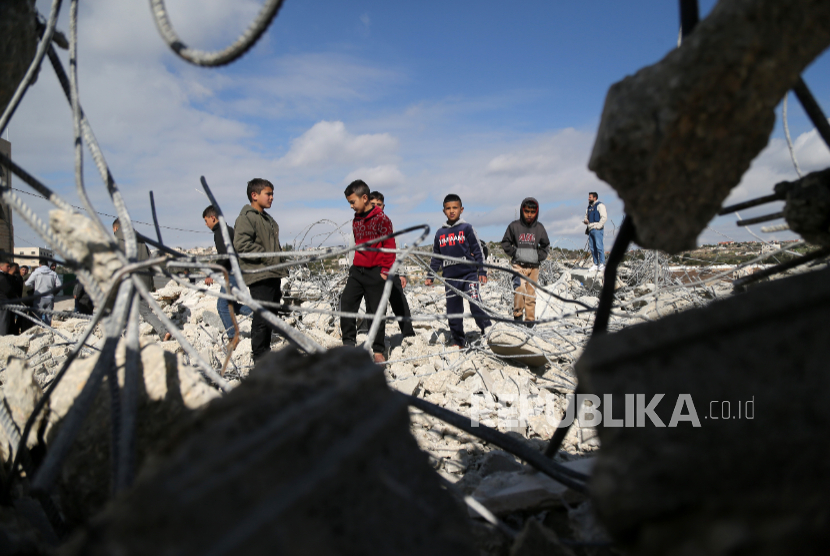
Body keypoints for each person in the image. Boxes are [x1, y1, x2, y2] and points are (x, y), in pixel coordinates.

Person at [425, 194, 491, 348]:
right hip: (451, 280)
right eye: (448, 208)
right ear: (444, 211)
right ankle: (459, 341)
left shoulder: (466, 228)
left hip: (469, 276)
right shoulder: (440, 233)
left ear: (461, 209)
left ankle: (488, 330)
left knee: (475, 303)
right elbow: (436, 258)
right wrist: (430, 276)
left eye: (455, 208)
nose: (452, 211)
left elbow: (478, 250)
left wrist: (482, 271)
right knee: (453, 312)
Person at [340, 180, 396, 363]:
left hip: (376, 271)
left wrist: (385, 270)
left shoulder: (383, 220)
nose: (351, 206)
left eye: (352, 202)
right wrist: (353, 267)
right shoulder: (356, 219)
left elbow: (390, 246)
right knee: (347, 302)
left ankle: (378, 349)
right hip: (357, 271)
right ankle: (348, 344)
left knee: (376, 310)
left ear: (364, 198)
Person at [233, 178, 287, 361]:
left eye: (272, 194)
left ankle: (266, 354)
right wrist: (269, 257)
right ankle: (259, 357)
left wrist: (280, 260)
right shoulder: (246, 218)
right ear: (254, 195)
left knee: (271, 314)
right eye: (268, 194)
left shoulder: (267, 219)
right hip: (259, 274)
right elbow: (242, 245)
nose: (272, 197)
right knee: (262, 317)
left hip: (272, 273)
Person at [113, 219, 172, 341]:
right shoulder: (141, 241)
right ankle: (163, 331)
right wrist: (151, 283)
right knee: (145, 311)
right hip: (142, 282)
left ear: (115, 228)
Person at [368, 191, 415, 339]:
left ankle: (409, 335)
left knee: (399, 301)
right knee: (372, 305)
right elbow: (354, 250)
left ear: (383, 206)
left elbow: (396, 250)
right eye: (373, 204)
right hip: (371, 271)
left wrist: (402, 273)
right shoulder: (361, 223)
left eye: (379, 204)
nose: (376, 207)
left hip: (390, 270)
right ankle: (373, 338)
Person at [501, 197, 550, 325]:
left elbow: (545, 245)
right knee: (519, 290)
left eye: (532, 212)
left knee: (530, 295)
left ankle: (530, 322)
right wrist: (515, 253)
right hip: (518, 266)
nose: (529, 214)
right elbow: (505, 242)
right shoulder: (514, 226)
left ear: (536, 212)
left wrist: (538, 256)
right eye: (527, 211)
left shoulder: (539, 228)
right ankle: (517, 317)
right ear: (522, 210)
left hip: (534, 268)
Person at [203, 205, 249, 340]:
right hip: (237, 271)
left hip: (233, 273)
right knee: (232, 306)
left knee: (222, 306)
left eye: (206, 221)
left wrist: (212, 273)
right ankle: (263, 316)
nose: (206, 224)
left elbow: (224, 256)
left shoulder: (220, 232)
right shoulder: (227, 229)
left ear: (213, 218)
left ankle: (233, 338)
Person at [25, 260, 62, 326]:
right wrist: (53, 292)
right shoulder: (53, 273)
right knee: (48, 317)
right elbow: (59, 285)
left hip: (38, 298)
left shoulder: (36, 272)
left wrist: (34, 287)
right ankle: (47, 330)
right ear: (48, 265)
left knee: (38, 317)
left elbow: (27, 283)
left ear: (40, 265)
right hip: (49, 297)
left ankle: (38, 330)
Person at [583, 191, 607, 272]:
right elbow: (586, 217)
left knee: (599, 246)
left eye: (590, 197)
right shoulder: (588, 208)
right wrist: (586, 221)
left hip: (597, 229)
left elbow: (604, 217)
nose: (588, 198)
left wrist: (598, 226)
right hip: (590, 229)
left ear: (595, 198)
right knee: (592, 248)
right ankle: (596, 264)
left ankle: (602, 264)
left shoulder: (600, 205)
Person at [0, 260, 15, 335]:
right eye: (7, 266)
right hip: (3, 301)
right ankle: (2, 337)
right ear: (1, 267)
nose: (9, 268)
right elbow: (8, 290)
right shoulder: (2, 277)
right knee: (3, 320)